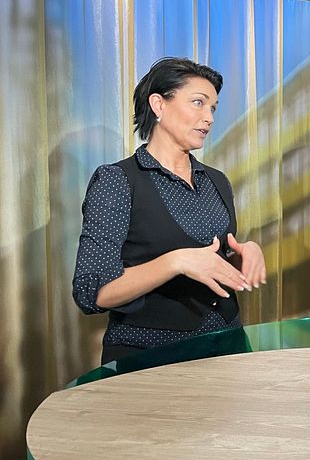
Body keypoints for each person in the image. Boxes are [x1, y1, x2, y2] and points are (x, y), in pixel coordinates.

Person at [72, 57, 266, 364]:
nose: (209, 117)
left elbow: (214, 258)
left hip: (227, 348)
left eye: (213, 108)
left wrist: (243, 254)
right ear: (158, 105)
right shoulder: (117, 180)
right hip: (152, 359)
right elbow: (92, 292)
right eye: (198, 103)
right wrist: (176, 261)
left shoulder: (216, 180)